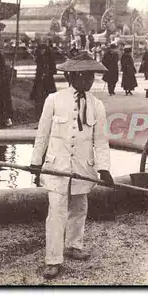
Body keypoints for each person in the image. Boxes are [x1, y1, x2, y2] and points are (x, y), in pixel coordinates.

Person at [29, 57, 114, 280]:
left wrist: (104, 168)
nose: (88, 80)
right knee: (56, 212)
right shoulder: (54, 100)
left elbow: (101, 140)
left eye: (91, 76)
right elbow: (43, 134)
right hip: (57, 166)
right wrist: (36, 162)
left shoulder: (97, 105)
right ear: (71, 76)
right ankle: (53, 259)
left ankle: (74, 245)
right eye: (83, 75)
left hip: (82, 167)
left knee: (79, 207)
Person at [30, 43, 57, 119]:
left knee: (48, 96)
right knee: (39, 97)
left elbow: (53, 69)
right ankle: (39, 115)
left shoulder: (50, 58)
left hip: (48, 80)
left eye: (43, 50)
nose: (42, 51)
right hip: (39, 80)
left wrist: (47, 73)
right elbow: (38, 69)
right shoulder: (39, 58)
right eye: (40, 50)